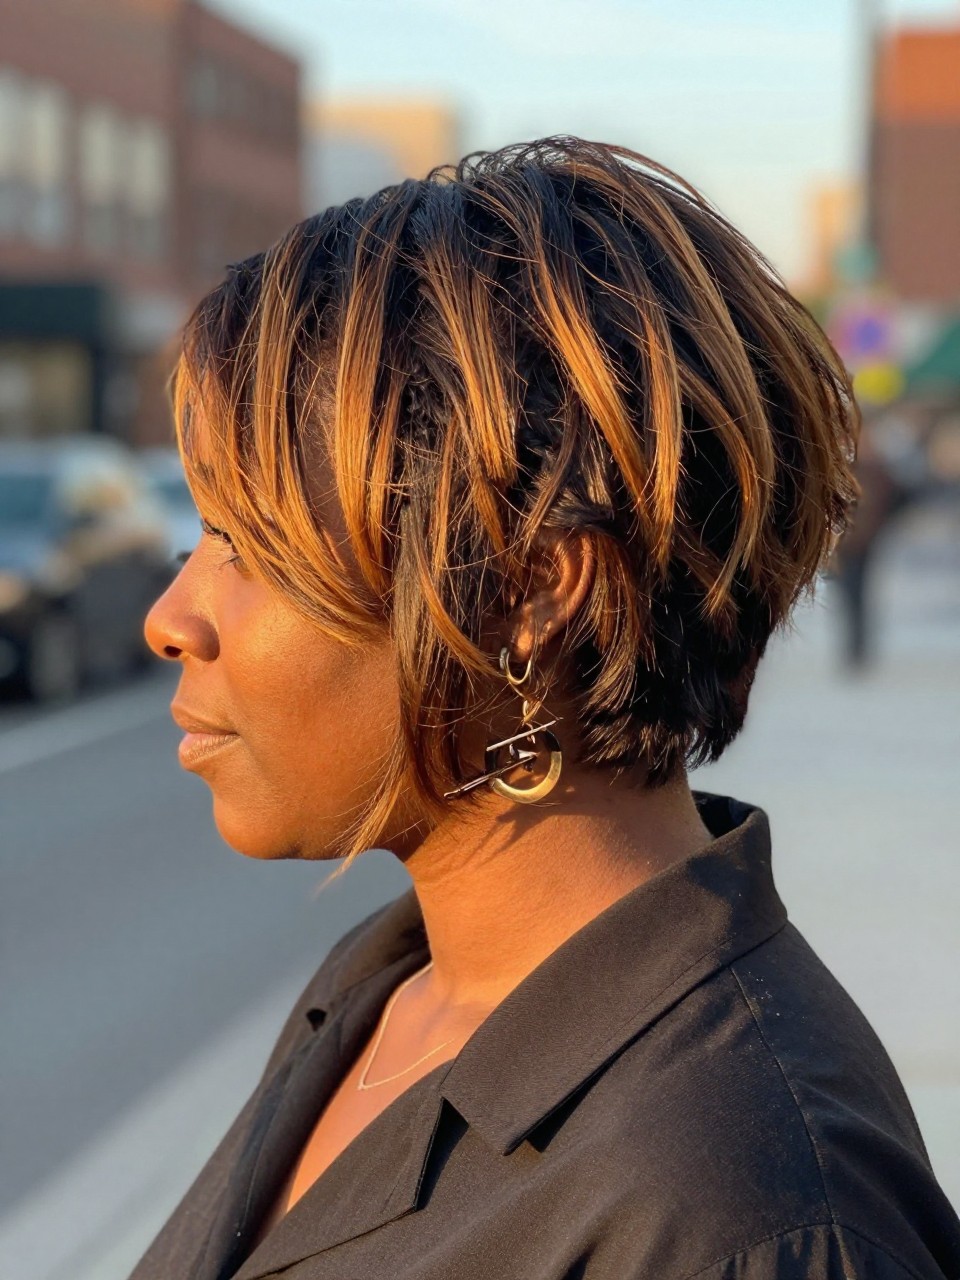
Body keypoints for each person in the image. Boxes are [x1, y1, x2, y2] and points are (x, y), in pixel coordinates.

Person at [134, 138, 960, 1280]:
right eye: (200, 530)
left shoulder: (739, 1202)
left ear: (532, 593)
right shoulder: (386, 988)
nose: (170, 615)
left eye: (251, 542)